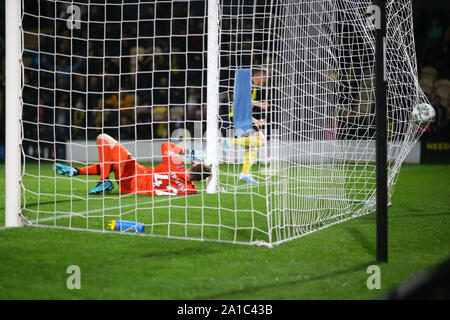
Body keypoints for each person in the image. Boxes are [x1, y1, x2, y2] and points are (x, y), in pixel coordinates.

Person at [53, 133, 211, 195]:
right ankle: (76, 171)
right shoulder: (189, 189)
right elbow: (194, 185)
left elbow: (165, 145)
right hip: (129, 189)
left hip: (135, 173)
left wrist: (189, 154)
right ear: (198, 180)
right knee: (114, 163)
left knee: (103, 138)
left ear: (191, 165)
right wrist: (207, 176)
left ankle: (104, 180)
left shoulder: (176, 165)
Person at [225, 69, 268, 184]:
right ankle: (230, 142)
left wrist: (256, 121)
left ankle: (245, 173)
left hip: (242, 118)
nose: (265, 81)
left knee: (252, 148)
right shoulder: (249, 85)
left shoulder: (252, 87)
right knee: (261, 141)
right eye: (264, 77)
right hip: (240, 118)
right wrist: (259, 104)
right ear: (259, 76)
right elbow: (242, 100)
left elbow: (244, 107)